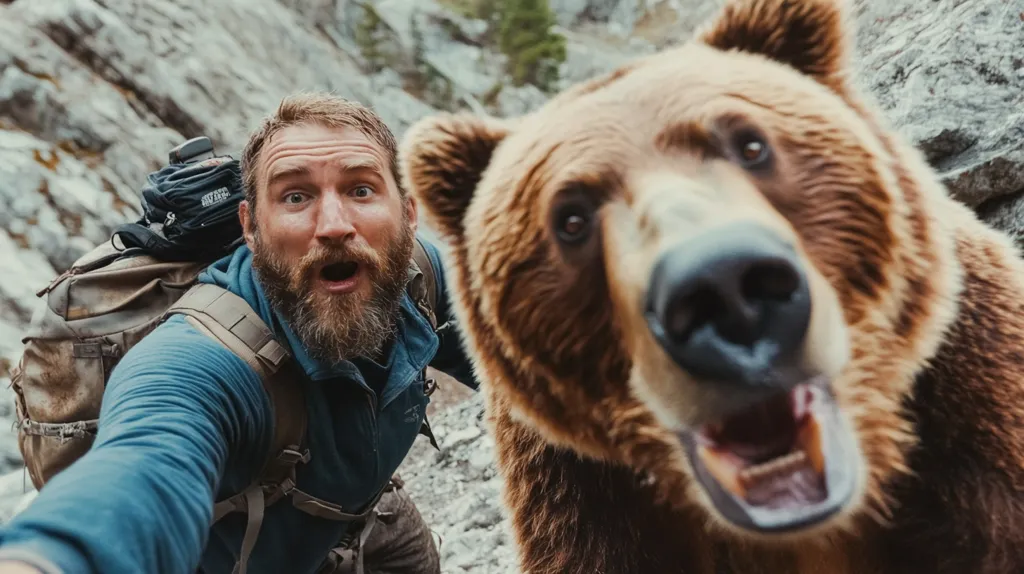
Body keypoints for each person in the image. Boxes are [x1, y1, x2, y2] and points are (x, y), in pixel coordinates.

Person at [0, 92, 479, 574]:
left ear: (409, 215)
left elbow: (528, 358)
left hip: (363, 512)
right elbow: (140, 477)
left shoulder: (418, 274)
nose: (334, 226)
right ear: (251, 228)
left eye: (361, 190)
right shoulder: (203, 360)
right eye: (296, 196)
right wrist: (45, 561)